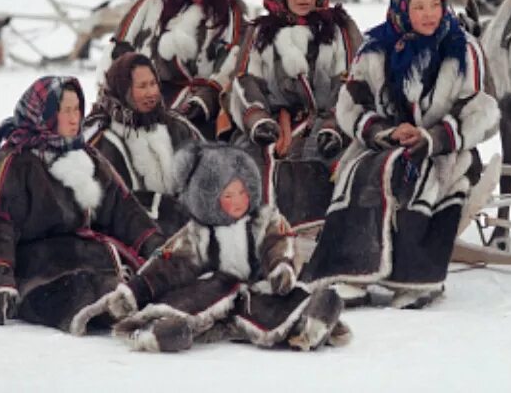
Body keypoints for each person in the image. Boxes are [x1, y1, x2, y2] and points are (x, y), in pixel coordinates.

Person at [301, 0, 500, 309]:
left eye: (435, 5)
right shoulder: (377, 48)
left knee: (424, 179)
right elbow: (351, 103)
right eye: (419, 7)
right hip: (383, 144)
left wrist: (432, 137)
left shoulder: (463, 50)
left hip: (445, 149)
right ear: (402, 7)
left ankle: (415, 278)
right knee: (358, 174)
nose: (429, 14)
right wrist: (386, 131)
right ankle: (354, 271)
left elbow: (481, 110)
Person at [90, 142, 351, 352]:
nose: (238, 201)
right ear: (209, 199)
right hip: (215, 288)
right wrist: (137, 289)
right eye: (228, 195)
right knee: (191, 303)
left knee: (278, 306)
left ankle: (313, 321)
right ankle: (164, 331)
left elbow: (278, 243)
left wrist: (281, 267)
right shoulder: (200, 232)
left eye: (243, 192)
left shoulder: (263, 219)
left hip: (256, 289)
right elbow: (171, 262)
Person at [0, 76, 165, 334]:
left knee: (148, 284)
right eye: (64, 110)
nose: (74, 118)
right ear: (44, 115)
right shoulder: (9, 165)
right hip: (31, 273)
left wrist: (155, 245)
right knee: (98, 292)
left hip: (85, 260)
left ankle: (161, 309)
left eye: (77, 109)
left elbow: (123, 208)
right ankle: (132, 315)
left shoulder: (86, 157)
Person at [222, 0, 362, 229]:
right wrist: (258, 120)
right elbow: (244, 81)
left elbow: (353, 83)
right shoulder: (260, 33)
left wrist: (335, 125)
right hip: (274, 125)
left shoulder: (340, 29)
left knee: (339, 159)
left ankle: (332, 232)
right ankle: (258, 233)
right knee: (248, 160)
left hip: (329, 123)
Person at [98, 0, 248, 139]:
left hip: (202, 105)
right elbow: (120, 49)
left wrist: (206, 98)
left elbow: (234, 59)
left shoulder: (229, 10)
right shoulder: (153, 1)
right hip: (144, 97)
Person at [85, 52, 202, 235]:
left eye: (153, 84)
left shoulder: (177, 127)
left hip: (187, 231)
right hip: (133, 238)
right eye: (141, 86)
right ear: (124, 89)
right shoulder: (102, 140)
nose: (151, 93)